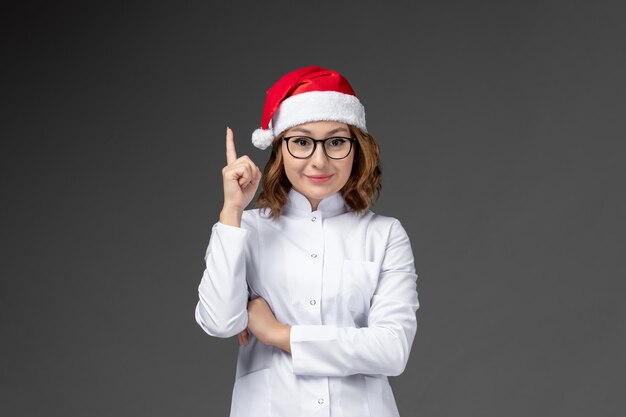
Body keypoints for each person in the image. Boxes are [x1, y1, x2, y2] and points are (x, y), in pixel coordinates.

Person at [195, 65, 420, 417]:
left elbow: (391, 350)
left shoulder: (385, 234)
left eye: (336, 142)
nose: (319, 160)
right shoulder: (247, 230)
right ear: (279, 148)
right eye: (301, 141)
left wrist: (278, 333)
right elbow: (220, 321)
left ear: (356, 148)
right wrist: (232, 210)